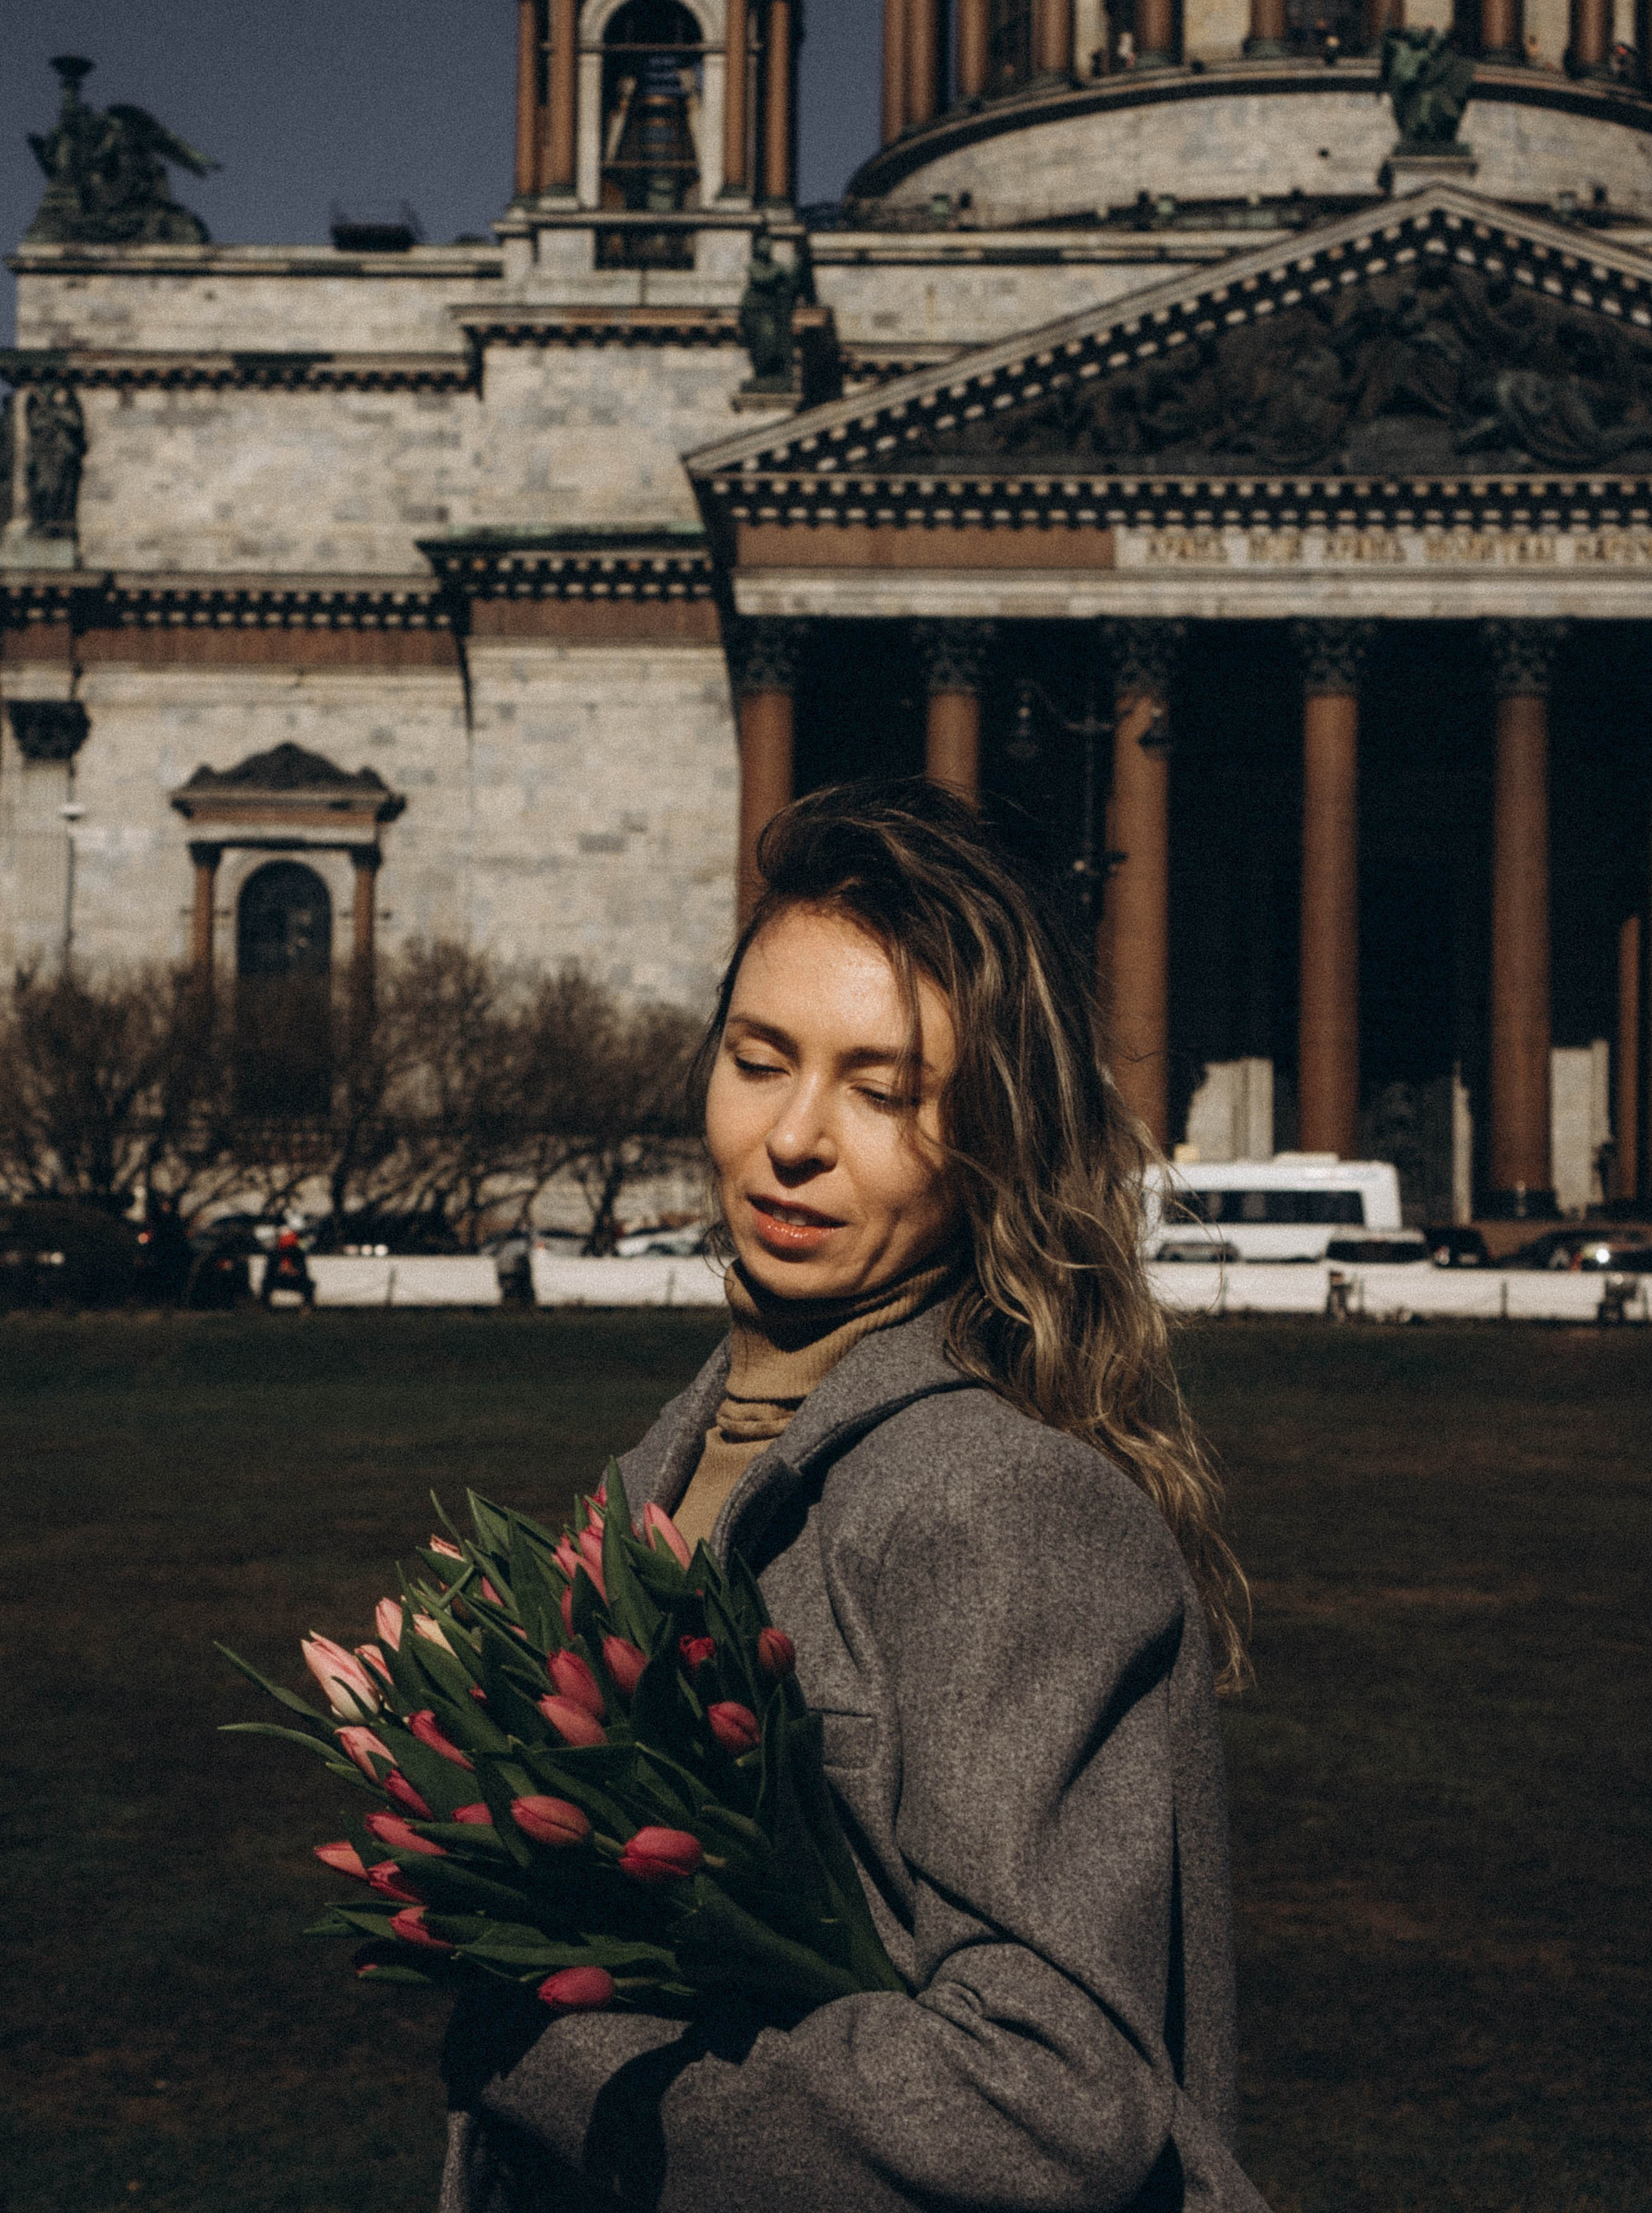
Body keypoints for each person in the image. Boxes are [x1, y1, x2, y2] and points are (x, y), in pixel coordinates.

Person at [441, 782, 1266, 2213]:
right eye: (761, 1061)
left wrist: (551, 2054)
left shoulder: (1000, 1508)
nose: (794, 1139)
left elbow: (1047, 2103)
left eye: (885, 1092)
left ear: (995, 1135)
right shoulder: (665, 1463)